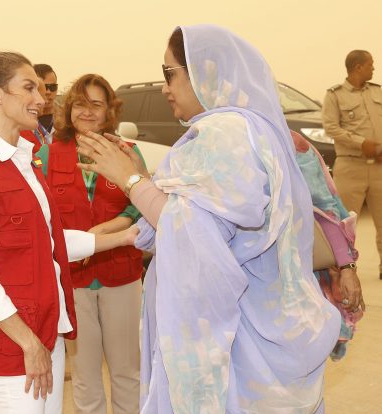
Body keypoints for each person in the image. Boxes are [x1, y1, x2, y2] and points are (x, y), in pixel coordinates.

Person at [77, 25, 341, 412]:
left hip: (237, 337)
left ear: (204, 72)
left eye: (171, 74)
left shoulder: (224, 134)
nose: (165, 87)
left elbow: (195, 235)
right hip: (265, 319)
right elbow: (199, 215)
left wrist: (131, 182)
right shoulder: (255, 128)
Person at [0, 52, 137, 414]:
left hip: (44, 331)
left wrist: (123, 238)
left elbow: (51, 244)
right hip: (15, 341)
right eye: (28, 88)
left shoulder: (24, 161)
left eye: (40, 90)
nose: (41, 100)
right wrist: (28, 343)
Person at [36, 73, 144, 414]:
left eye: (96, 105)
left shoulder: (127, 151)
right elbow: (42, 215)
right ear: (69, 110)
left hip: (122, 274)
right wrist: (84, 242)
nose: (87, 112)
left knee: (127, 371)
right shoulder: (48, 154)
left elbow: (143, 203)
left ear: (109, 110)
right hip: (74, 280)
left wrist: (103, 231)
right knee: (84, 373)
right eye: (80, 105)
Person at [291, 130, 364, 360]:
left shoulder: (290, 144)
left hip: (293, 281)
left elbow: (325, 211)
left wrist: (347, 269)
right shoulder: (200, 140)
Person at [322, 50, 382, 280]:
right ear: (358, 67)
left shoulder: (377, 91)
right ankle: (343, 269)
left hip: (378, 167)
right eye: (370, 65)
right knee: (343, 222)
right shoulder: (335, 95)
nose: (373, 69)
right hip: (350, 166)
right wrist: (361, 143)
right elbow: (330, 127)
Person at [34, 63, 58, 143]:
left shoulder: (68, 118)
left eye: (52, 87)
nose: (48, 92)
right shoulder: (20, 120)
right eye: (43, 87)